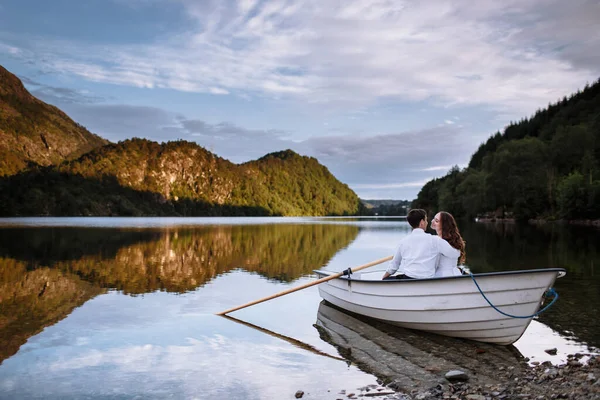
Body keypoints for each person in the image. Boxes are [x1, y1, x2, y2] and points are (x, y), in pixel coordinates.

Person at [382, 209, 460, 280]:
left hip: (408, 278)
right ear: (422, 222)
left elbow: (394, 266)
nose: (427, 222)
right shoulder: (435, 240)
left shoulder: (403, 242)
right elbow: (455, 254)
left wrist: (384, 278)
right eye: (426, 220)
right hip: (427, 279)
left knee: (389, 279)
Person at [430, 211, 466, 277]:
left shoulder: (438, 241)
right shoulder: (447, 240)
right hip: (456, 273)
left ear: (444, 225)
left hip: (444, 276)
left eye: (436, 221)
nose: (432, 222)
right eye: (434, 219)